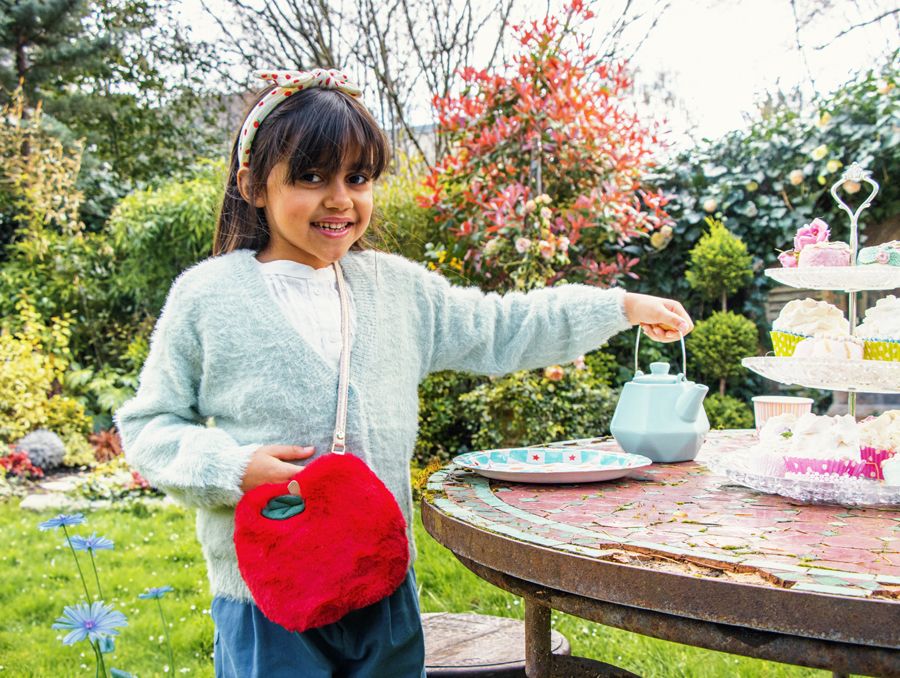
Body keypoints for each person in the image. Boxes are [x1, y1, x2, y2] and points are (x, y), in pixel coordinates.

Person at [115, 68, 694, 678]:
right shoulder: (208, 296)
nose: (340, 199)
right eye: (311, 177)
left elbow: (502, 328)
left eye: (357, 178)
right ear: (253, 185)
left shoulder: (398, 290)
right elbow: (150, 425)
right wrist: (234, 467)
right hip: (267, 591)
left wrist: (616, 307)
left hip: (380, 580)